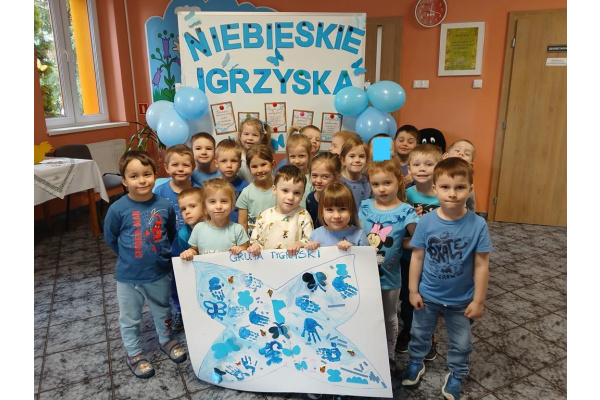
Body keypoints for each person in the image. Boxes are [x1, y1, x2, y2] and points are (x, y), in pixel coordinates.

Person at [401, 158, 492, 400]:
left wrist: (479, 301)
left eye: (460, 187)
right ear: (435, 189)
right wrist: (413, 290)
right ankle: (415, 362)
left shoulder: (478, 225)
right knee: (419, 333)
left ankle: (457, 374)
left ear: (470, 189)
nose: (452, 193)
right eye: (445, 187)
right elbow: (417, 256)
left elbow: (482, 265)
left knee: (462, 343)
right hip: (428, 295)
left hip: (461, 299)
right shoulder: (426, 221)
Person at [103, 150, 186, 379]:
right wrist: (128, 257)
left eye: (147, 174)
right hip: (129, 277)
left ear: (154, 175)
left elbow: (170, 233)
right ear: (124, 181)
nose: (141, 180)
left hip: (159, 272)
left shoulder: (165, 205)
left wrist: (160, 257)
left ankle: (166, 340)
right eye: (134, 176)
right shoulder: (117, 209)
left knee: (163, 309)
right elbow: (111, 237)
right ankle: (134, 353)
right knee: (130, 317)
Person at [358, 158, 419, 373]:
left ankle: (388, 355)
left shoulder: (406, 211)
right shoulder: (365, 207)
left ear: (399, 181)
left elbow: (419, 239)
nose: (381, 189)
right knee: (365, 315)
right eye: (375, 184)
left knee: (388, 316)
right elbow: (357, 233)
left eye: (387, 183)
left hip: (389, 278)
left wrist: (402, 243)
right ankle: (368, 352)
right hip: (363, 275)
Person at [397, 144, 443, 356]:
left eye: (428, 164)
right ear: (409, 169)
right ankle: (408, 329)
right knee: (408, 296)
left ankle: (428, 335)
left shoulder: (444, 195)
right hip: (409, 258)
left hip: (435, 260)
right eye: (416, 164)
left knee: (430, 299)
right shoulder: (404, 195)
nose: (422, 168)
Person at [153, 144, 198, 332]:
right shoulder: (160, 193)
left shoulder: (199, 190)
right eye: (175, 165)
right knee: (175, 283)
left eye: (186, 165)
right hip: (171, 248)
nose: (180, 169)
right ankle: (179, 310)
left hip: (196, 246)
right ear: (166, 167)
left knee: (195, 280)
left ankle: (197, 310)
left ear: (193, 168)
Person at [247, 165, 314, 256]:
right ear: (274, 190)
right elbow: (255, 241)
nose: (290, 197)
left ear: (302, 195)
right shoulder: (264, 216)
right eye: (285, 191)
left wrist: (300, 244)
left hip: (295, 262)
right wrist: (255, 247)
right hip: (268, 262)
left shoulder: (303, 215)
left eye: (297, 193)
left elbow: (310, 240)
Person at [180, 178, 249, 260]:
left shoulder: (238, 229)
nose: (218, 206)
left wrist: (240, 249)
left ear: (232, 205)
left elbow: (245, 249)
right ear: (204, 206)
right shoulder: (198, 228)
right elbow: (195, 250)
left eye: (224, 201)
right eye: (212, 201)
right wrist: (189, 252)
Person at [306, 182, 368, 251]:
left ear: (351, 210)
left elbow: (367, 257)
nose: (336, 216)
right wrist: (309, 248)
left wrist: (353, 249)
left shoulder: (359, 235)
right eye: (330, 210)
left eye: (342, 209)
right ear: (322, 212)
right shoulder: (316, 235)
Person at [236, 144, 277, 237]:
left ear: (272, 164)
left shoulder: (281, 189)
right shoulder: (246, 193)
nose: (260, 170)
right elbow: (242, 224)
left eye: (263, 164)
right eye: (254, 166)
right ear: (249, 168)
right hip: (254, 243)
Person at [214, 139, 249, 223]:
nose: (229, 165)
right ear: (216, 163)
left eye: (233, 161)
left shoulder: (245, 187)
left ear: (240, 164)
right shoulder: (212, 186)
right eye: (224, 161)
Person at [305, 152, 342, 229]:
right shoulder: (310, 199)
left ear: (336, 177)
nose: (318, 181)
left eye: (325, 176)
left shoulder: (342, 198)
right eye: (314, 175)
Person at [443, 139, 477, 211]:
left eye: (467, 154)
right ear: (445, 156)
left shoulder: (468, 182)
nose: (461, 154)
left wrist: (471, 215)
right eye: (457, 150)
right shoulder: (437, 175)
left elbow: (471, 204)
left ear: (470, 165)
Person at [237, 117, 273, 183]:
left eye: (255, 135)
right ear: (240, 136)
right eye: (246, 134)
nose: (250, 138)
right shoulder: (237, 157)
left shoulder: (264, 156)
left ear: (261, 137)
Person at [339, 136, 371, 211]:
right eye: (352, 156)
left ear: (366, 160)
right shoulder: (336, 181)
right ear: (343, 160)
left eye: (361, 156)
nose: (357, 160)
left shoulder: (369, 182)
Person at [283, 132, 314, 208]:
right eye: (293, 156)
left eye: (301, 156)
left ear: (310, 155)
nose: (297, 161)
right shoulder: (284, 178)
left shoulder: (313, 178)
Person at [175, 187, 204, 259]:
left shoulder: (217, 225)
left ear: (205, 207)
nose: (187, 212)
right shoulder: (183, 234)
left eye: (192, 206)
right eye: (183, 209)